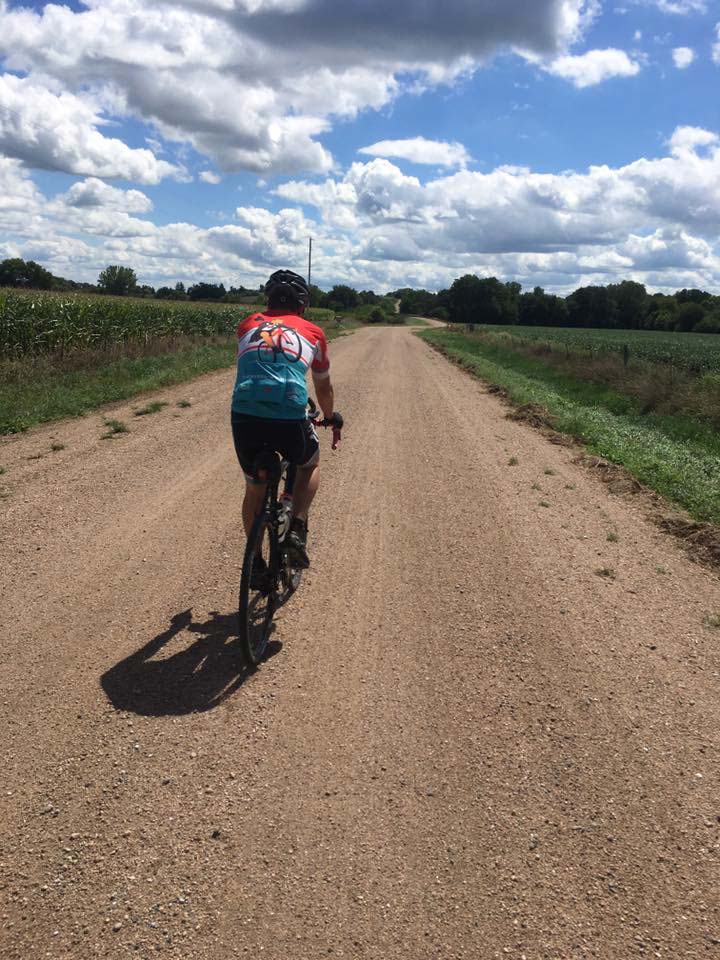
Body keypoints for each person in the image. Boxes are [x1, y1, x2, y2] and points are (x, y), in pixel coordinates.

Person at [230, 269, 338, 576]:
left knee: (254, 487)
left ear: (267, 299)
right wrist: (330, 417)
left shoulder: (247, 324)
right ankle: (297, 528)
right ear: (302, 305)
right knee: (309, 463)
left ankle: (255, 563)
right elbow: (323, 387)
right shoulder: (314, 332)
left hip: (245, 410)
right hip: (289, 410)